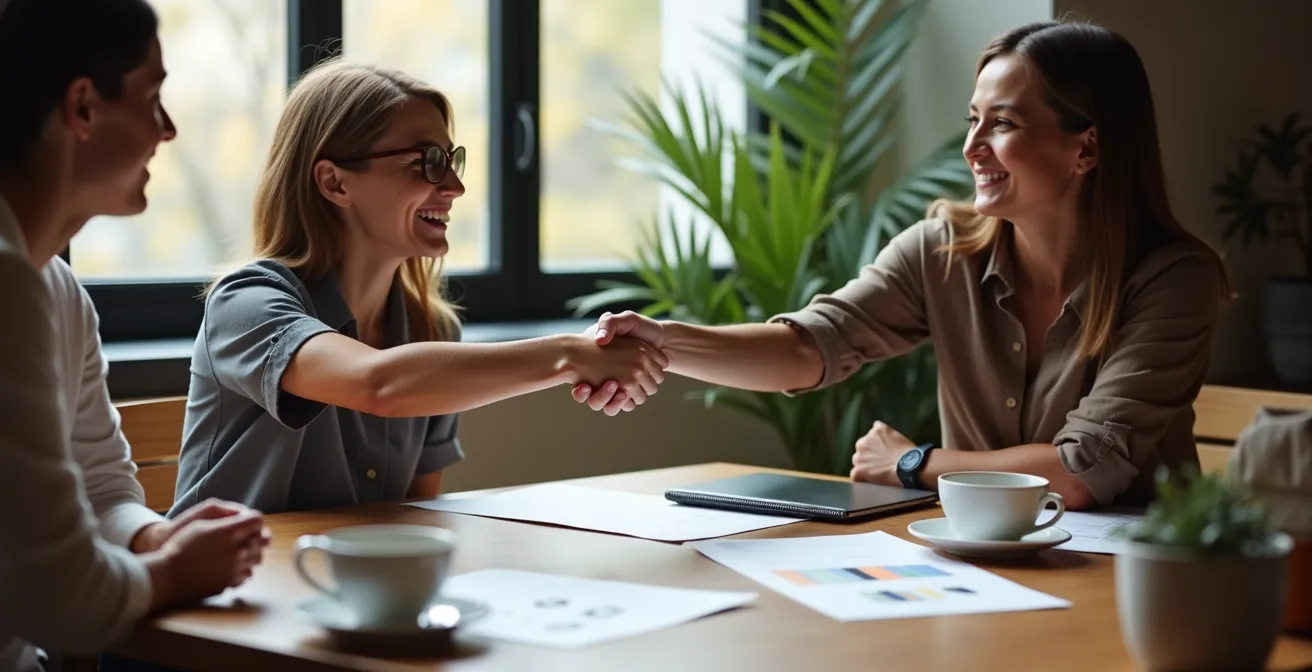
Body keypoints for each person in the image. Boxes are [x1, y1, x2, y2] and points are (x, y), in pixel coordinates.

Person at [570, 19, 1230, 510]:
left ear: (1085, 149)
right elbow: (810, 345)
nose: (972, 146)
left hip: (1136, 579)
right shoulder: (942, 250)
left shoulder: (1173, 280)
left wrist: (914, 462)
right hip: (978, 563)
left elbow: (1083, 473)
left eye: (1001, 124)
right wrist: (665, 340)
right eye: (973, 120)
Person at [170, 60, 667, 516]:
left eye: (452, 159)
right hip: (226, 601)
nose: (454, 187)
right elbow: (377, 385)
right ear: (335, 183)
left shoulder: (432, 330)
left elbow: (411, 521)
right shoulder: (247, 303)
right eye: (427, 161)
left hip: (354, 599)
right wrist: (569, 355)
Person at [0, 0, 268, 669]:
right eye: (153, 98)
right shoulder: (6, 285)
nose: (168, 130)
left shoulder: (57, 292)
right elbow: (64, 600)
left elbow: (103, 489)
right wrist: (178, 573)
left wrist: (156, 539)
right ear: (82, 108)